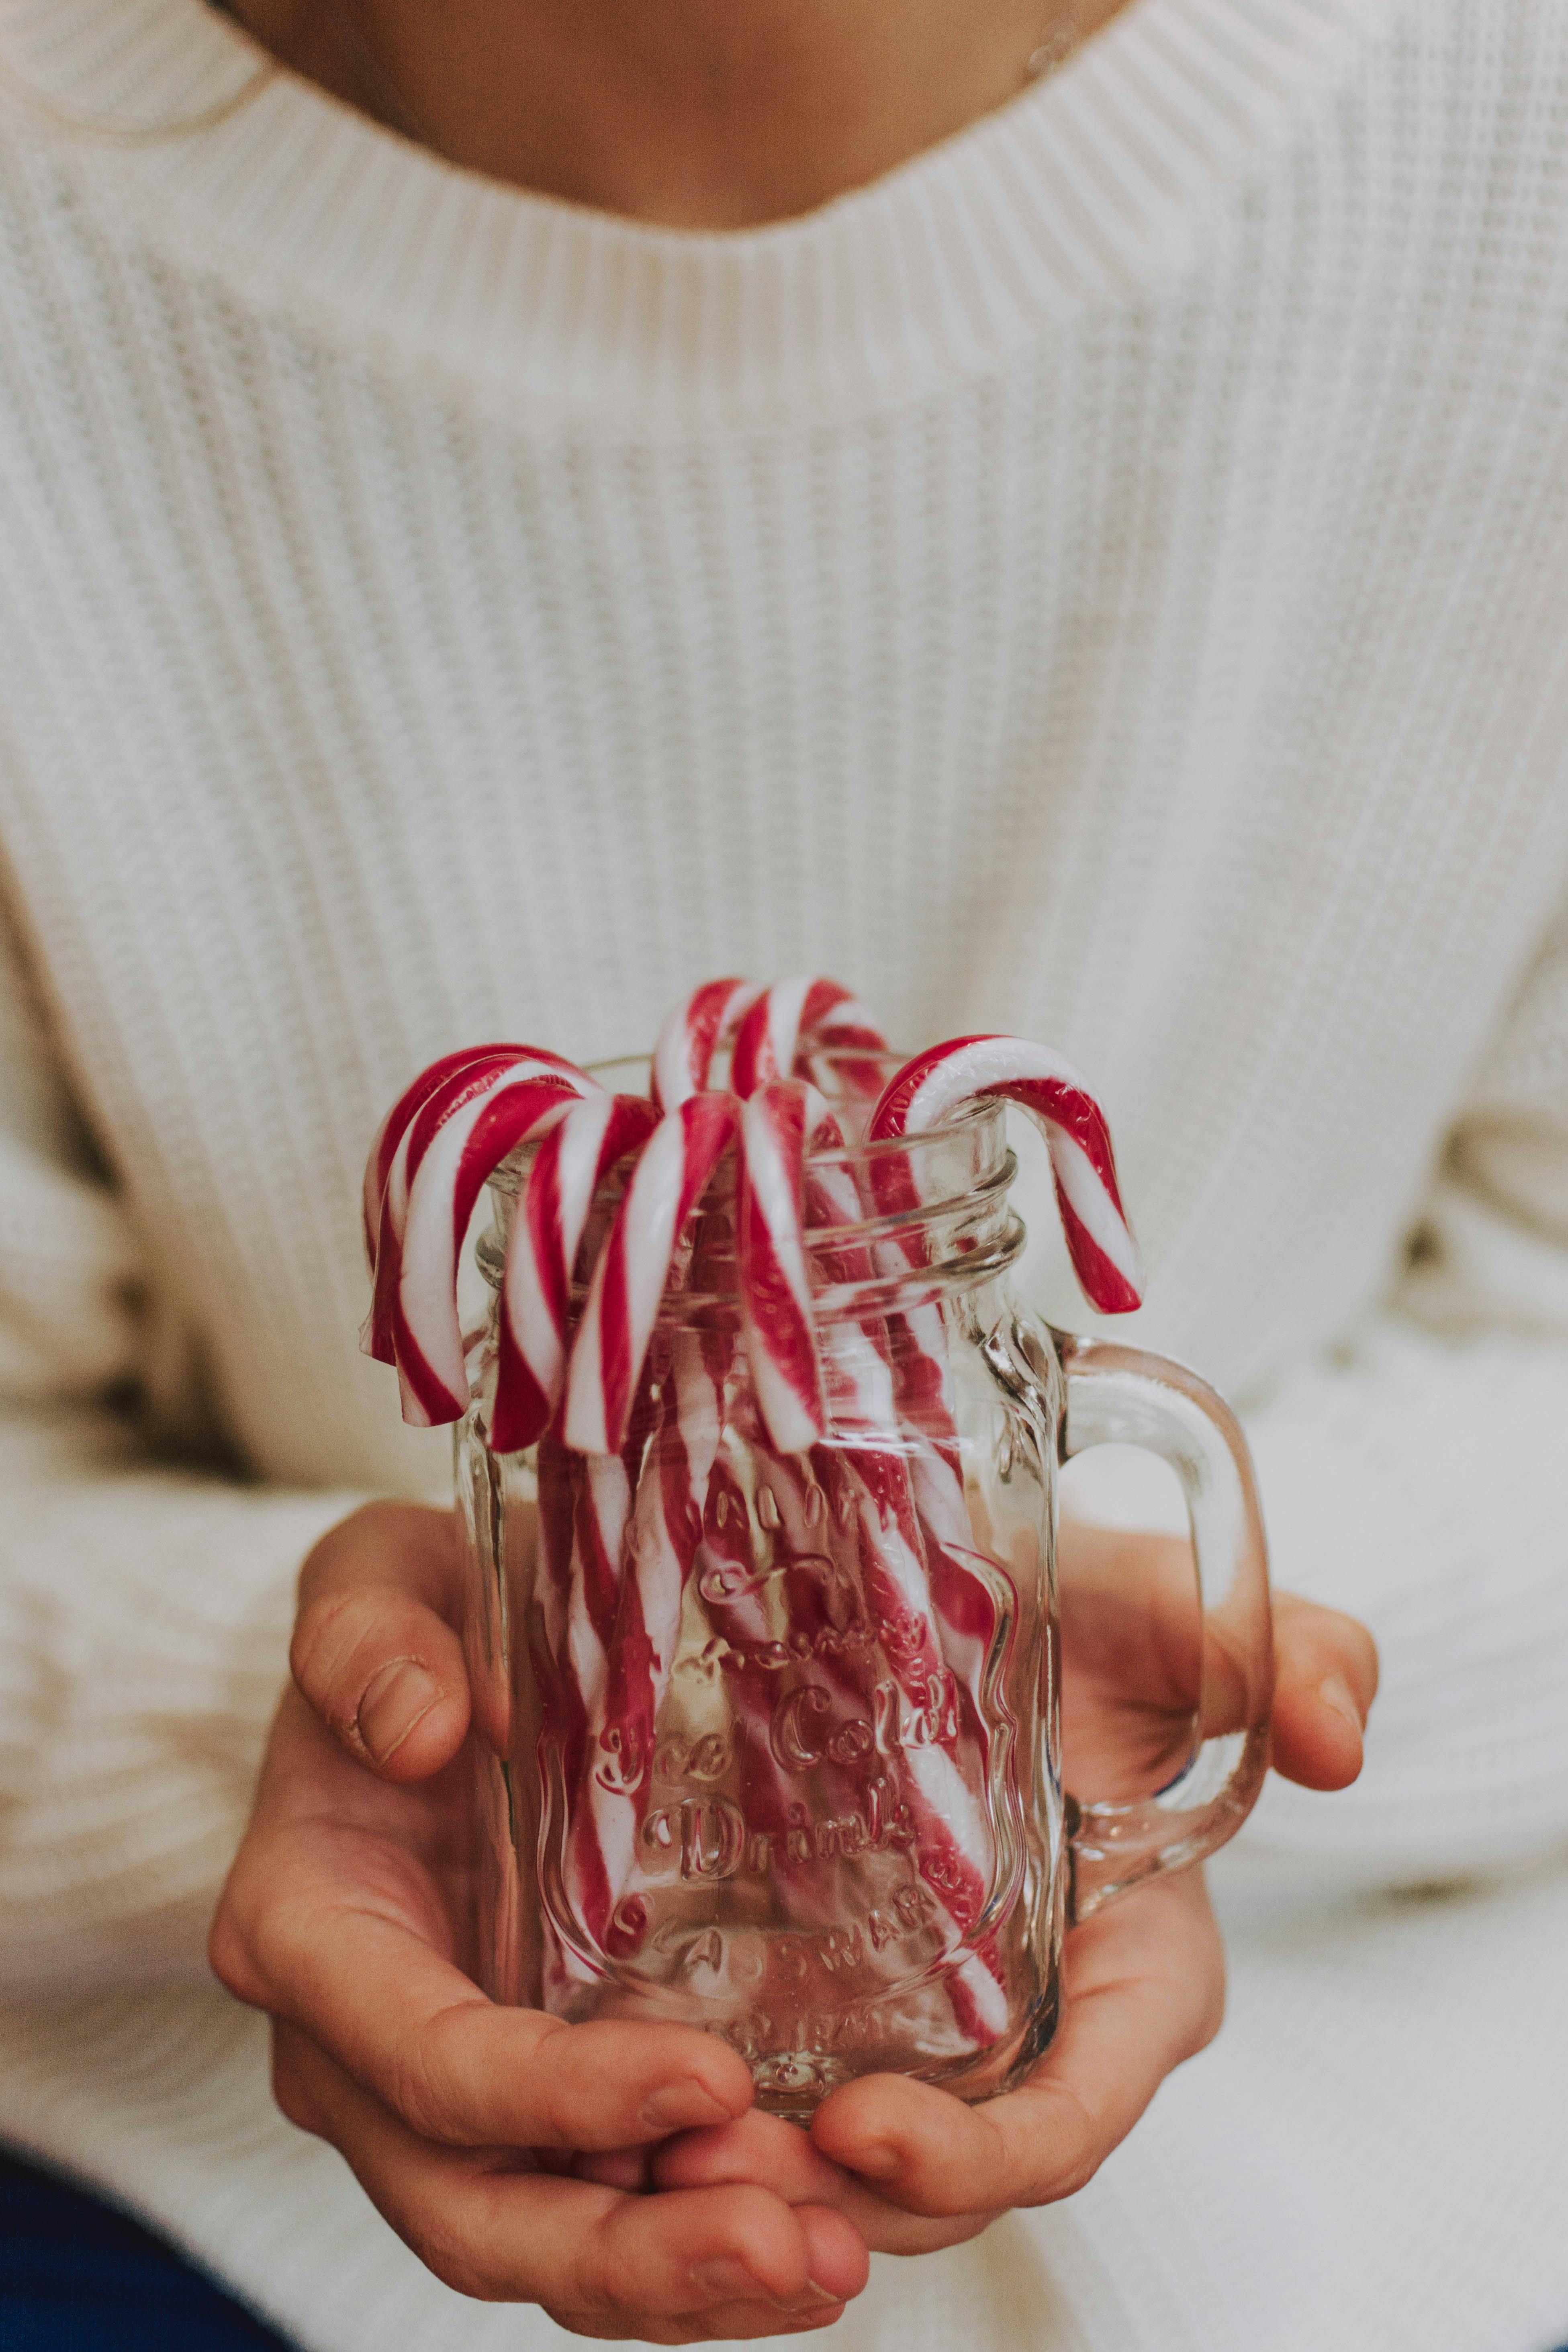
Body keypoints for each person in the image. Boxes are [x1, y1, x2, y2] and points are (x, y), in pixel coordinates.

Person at [0, 0, 1564, 2348]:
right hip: (198, 2163)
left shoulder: (1512, 148)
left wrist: (1112, 1662)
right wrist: (331, 1714)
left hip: (1440, 2094)